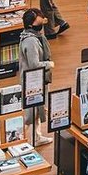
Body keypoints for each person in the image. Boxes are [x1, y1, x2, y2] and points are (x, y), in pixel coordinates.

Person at [17, 8, 54, 145]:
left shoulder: (35, 36)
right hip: (33, 81)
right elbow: (34, 64)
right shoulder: (31, 41)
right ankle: (18, 138)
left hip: (38, 79)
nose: (42, 24)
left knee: (38, 110)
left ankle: (37, 137)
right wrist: (49, 64)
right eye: (39, 22)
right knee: (30, 113)